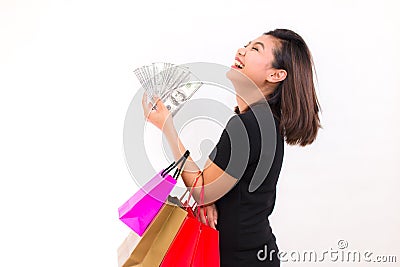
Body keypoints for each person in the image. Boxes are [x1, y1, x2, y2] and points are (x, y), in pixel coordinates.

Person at [142, 28, 321, 267]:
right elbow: (211, 187)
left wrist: (167, 127)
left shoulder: (248, 125)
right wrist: (207, 195)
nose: (242, 50)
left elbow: (202, 188)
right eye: (247, 45)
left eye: (256, 49)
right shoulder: (265, 122)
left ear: (276, 75)